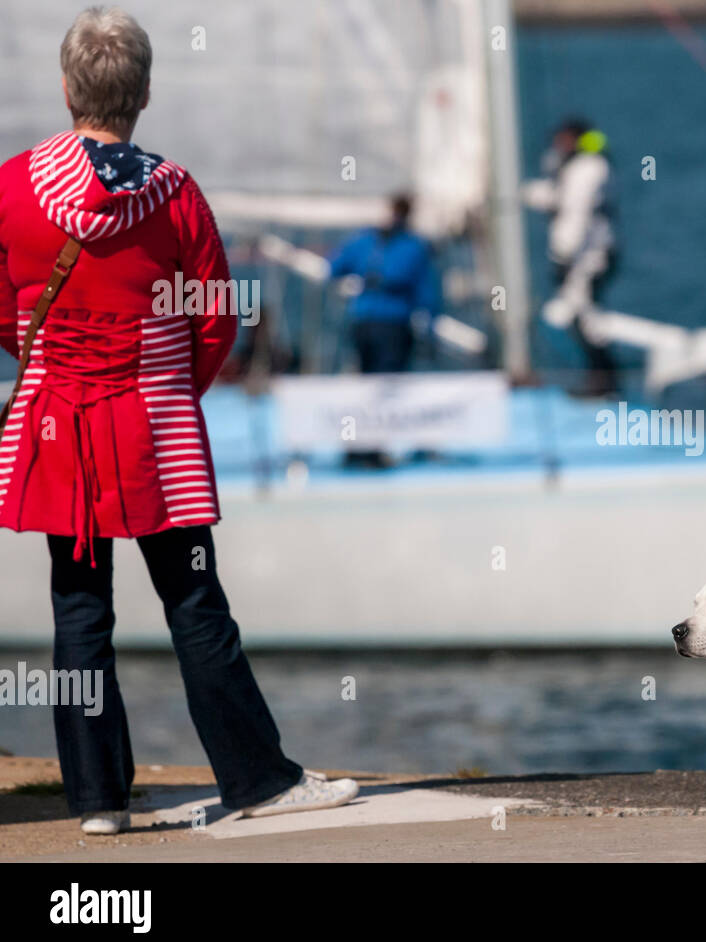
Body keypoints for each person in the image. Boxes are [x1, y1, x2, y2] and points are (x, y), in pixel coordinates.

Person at [0, 7, 357, 834]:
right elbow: (215, 321)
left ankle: (98, 800)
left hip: (59, 426)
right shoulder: (173, 192)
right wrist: (172, 387)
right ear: (146, 93)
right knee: (194, 601)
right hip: (153, 428)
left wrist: (45, 360)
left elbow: (6, 305)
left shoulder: (14, 186)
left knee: (78, 608)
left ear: (65, 88)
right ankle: (256, 778)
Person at [522, 118, 618, 396]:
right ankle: (601, 379)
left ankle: (603, 380)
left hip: (588, 258)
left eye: (562, 139)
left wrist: (563, 256)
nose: (557, 146)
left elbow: (576, 213)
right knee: (581, 313)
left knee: (583, 315)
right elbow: (559, 198)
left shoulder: (587, 169)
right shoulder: (581, 168)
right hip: (586, 255)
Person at [329, 192, 441, 376]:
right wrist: (429, 329)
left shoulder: (365, 242)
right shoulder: (412, 246)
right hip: (386, 324)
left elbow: (333, 268)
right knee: (385, 381)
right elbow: (427, 295)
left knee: (375, 379)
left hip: (373, 322)